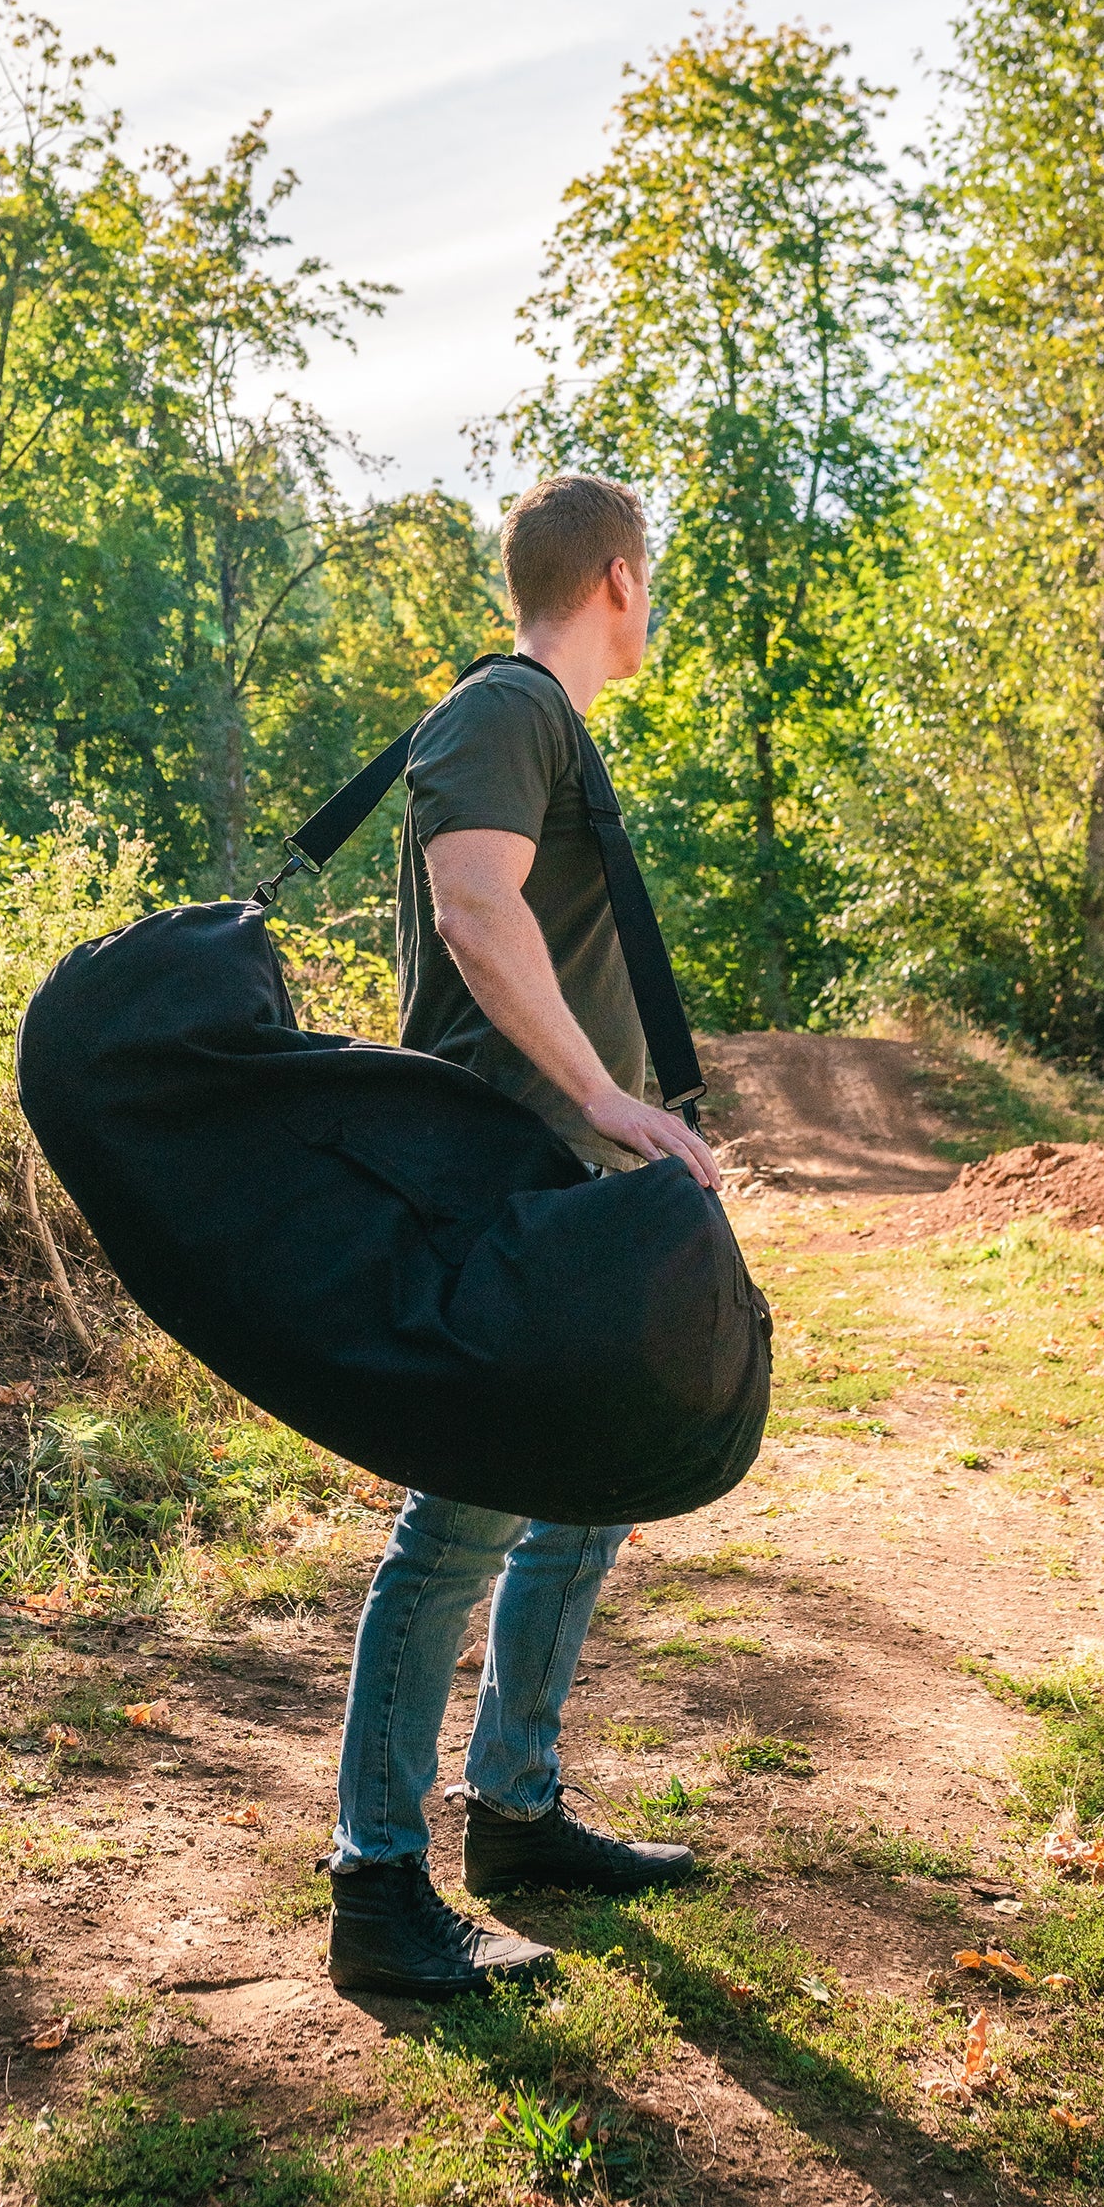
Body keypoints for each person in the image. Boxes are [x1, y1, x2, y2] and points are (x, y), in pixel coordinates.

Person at [326, 471, 724, 2001]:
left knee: (586, 1489)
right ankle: (377, 1881)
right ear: (618, 577)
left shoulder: (541, 729)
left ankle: (517, 1809)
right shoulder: (500, 708)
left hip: (566, 1177)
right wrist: (607, 1106)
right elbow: (473, 908)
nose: (655, 603)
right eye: (657, 579)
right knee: (463, 1525)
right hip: (506, 1172)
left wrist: (624, 1125)